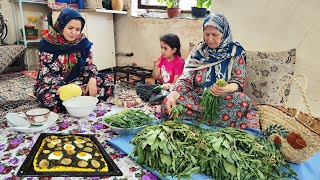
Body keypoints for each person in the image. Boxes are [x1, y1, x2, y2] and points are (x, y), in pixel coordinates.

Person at [163, 13, 259, 129]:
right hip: (197, 99)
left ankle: (201, 119)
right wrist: (173, 95)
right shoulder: (198, 52)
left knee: (242, 101)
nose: (209, 39)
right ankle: (214, 120)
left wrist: (226, 89)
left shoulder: (235, 53)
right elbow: (185, 79)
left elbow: (238, 81)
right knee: (169, 102)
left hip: (222, 101)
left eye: (215, 35)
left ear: (224, 34)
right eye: (206, 34)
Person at [34, 8, 113, 113]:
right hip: (54, 85)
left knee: (107, 80)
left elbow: (89, 65)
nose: (74, 33)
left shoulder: (82, 42)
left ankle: (74, 101)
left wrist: (92, 79)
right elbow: (48, 74)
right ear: (61, 26)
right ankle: (83, 100)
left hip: (77, 81)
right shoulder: (47, 44)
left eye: (77, 29)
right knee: (48, 98)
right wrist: (64, 88)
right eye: (70, 28)